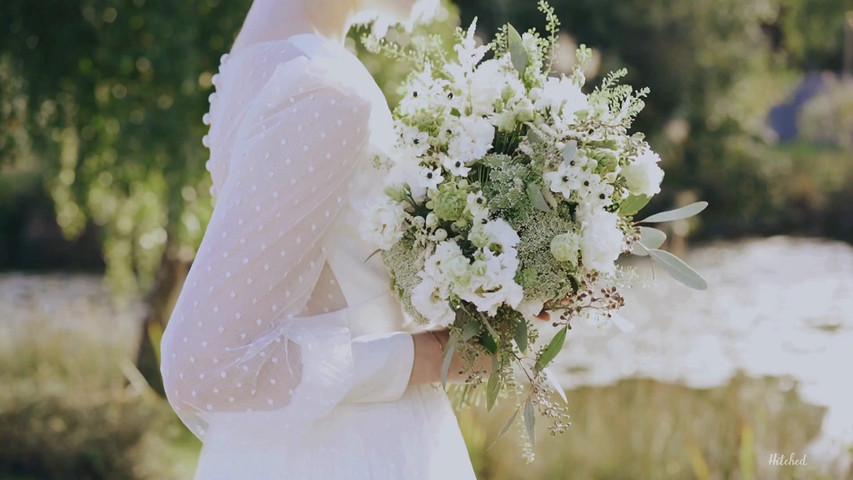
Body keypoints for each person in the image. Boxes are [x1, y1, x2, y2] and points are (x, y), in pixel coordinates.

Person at [159, 0, 480, 478]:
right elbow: (203, 363)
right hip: (355, 452)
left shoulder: (271, 57)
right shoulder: (322, 88)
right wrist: (431, 355)